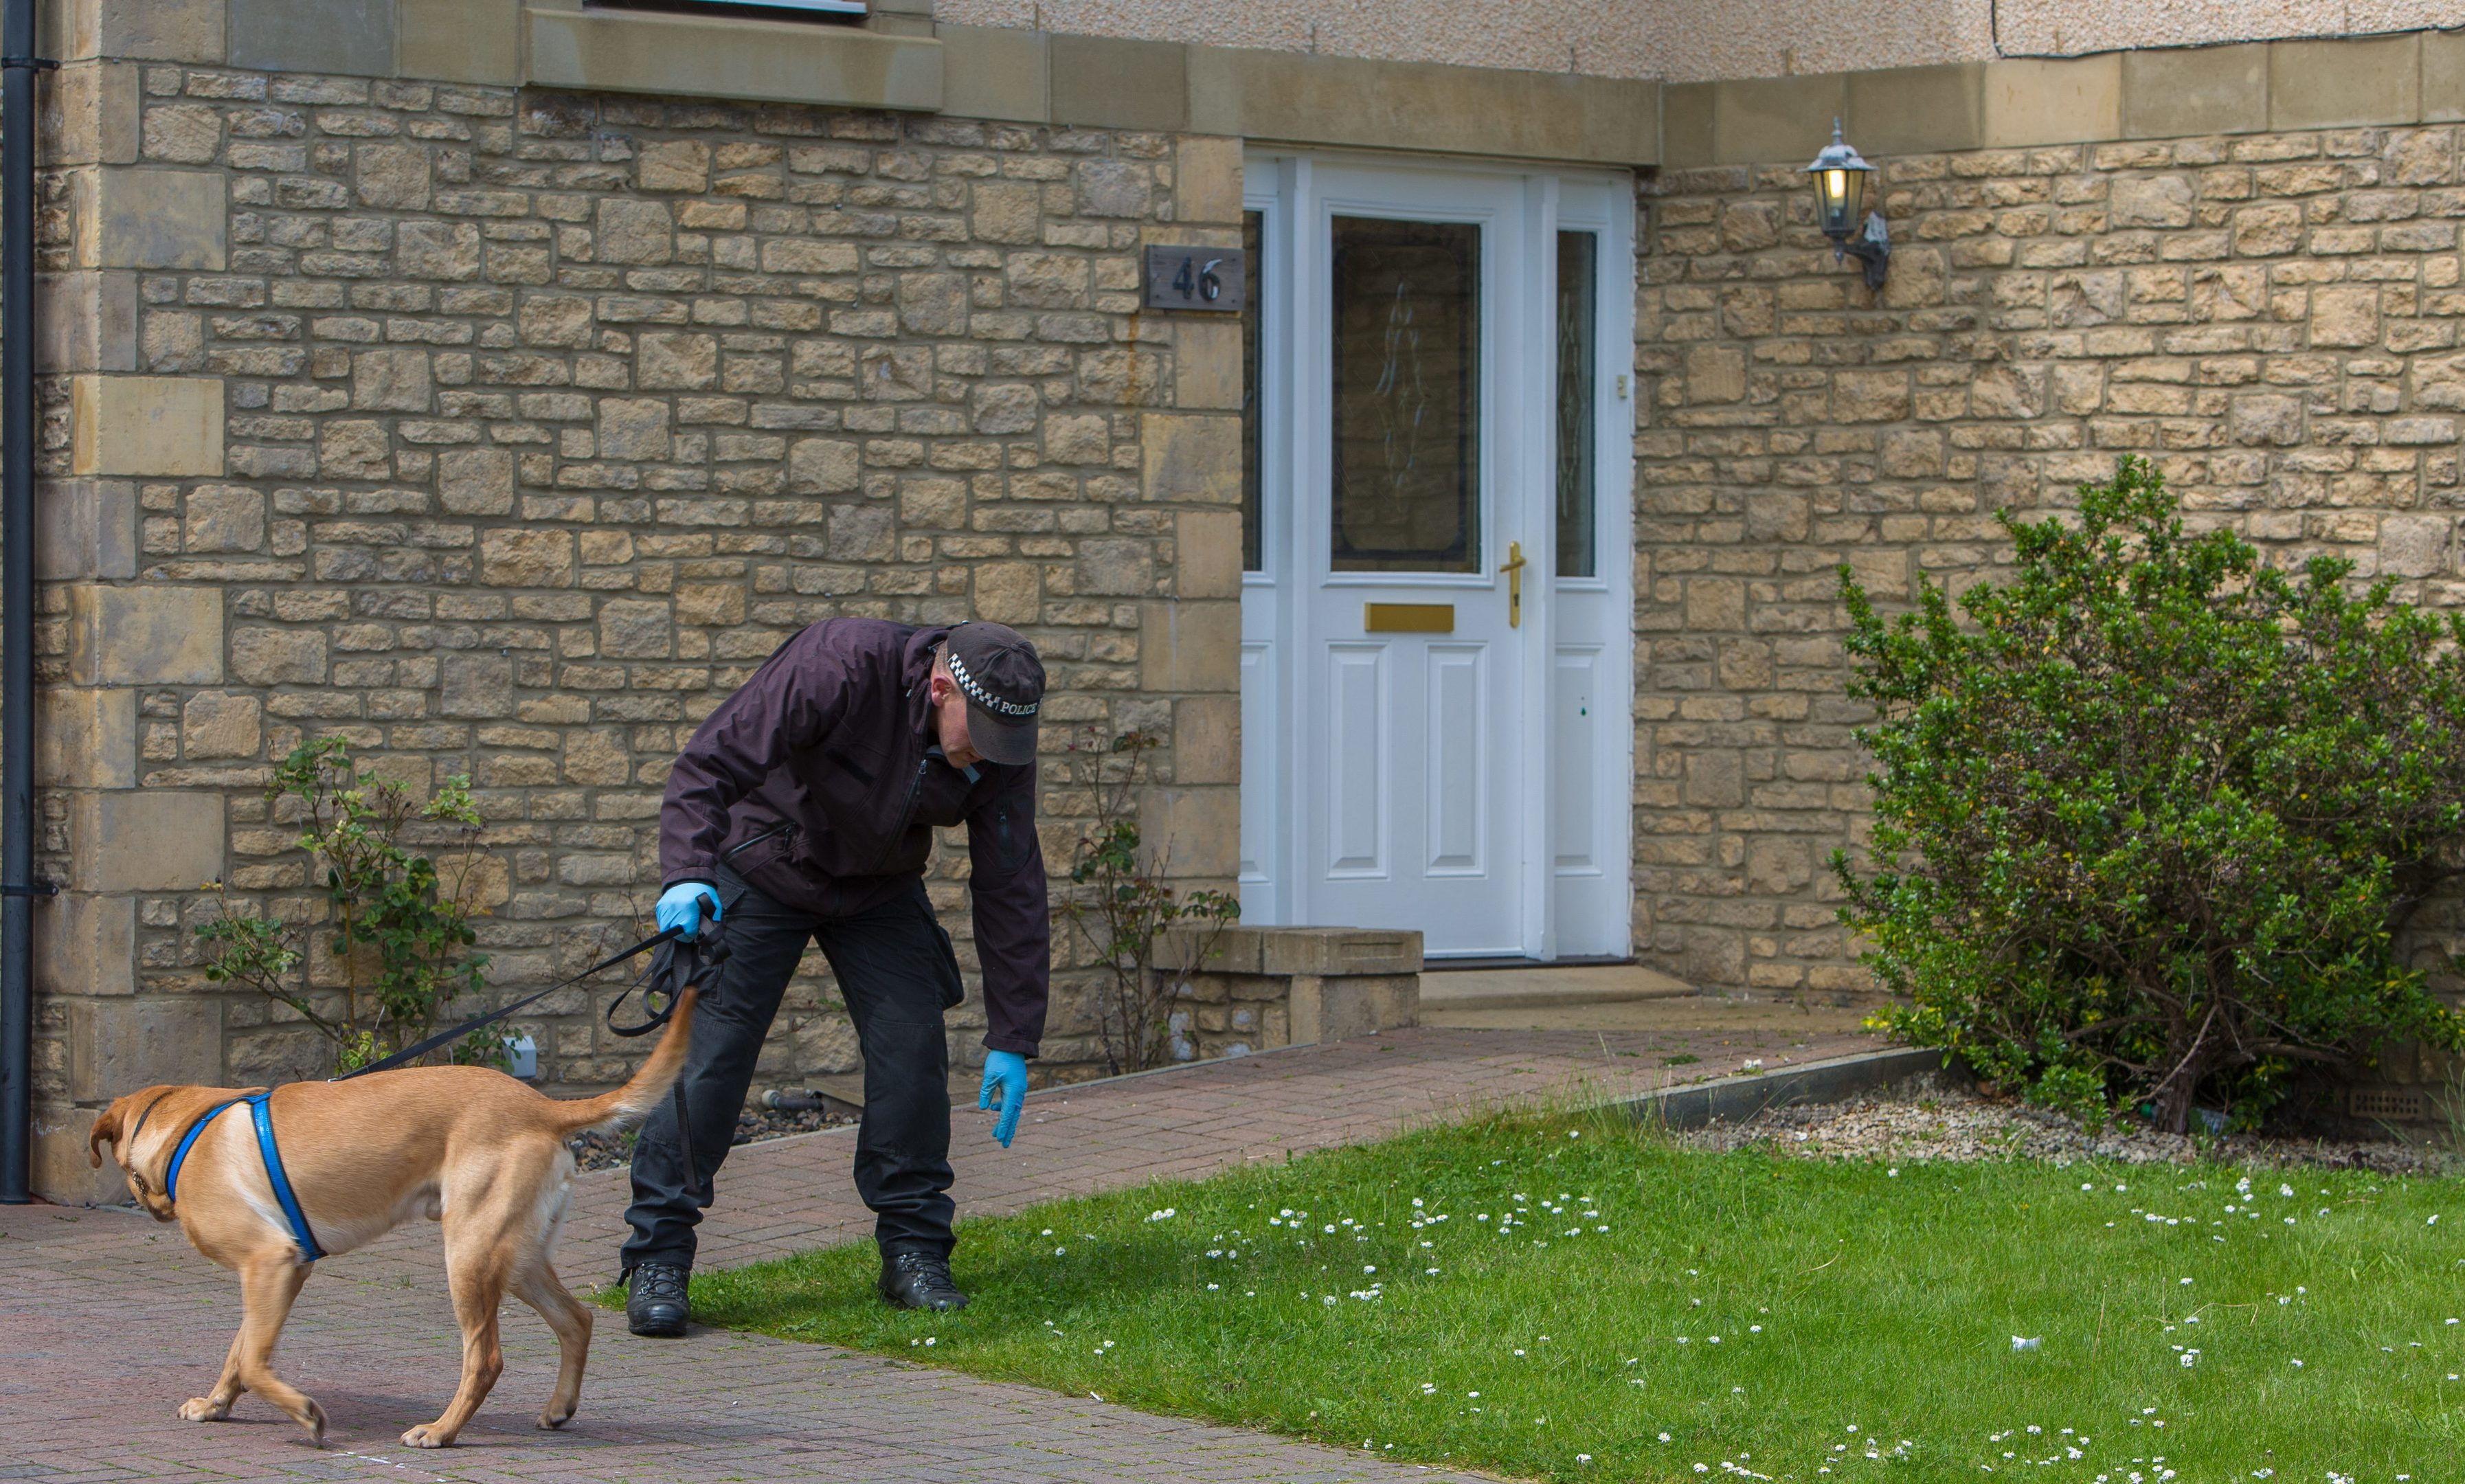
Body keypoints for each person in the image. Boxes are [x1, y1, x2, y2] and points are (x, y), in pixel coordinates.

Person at [618, 618, 1050, 1334]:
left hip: (879, 889)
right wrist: (688, 875)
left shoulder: (1001, 740)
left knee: (911, 1052)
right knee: (711, 1061)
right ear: (940, 686)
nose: (987, 757)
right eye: (977, 737)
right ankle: (658, 1253)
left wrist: (1014, 1032)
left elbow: (1011, 882)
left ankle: (913, 1252)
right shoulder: (840, 665)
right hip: (763, 862)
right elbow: (709, 763)